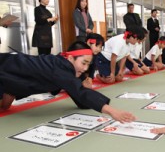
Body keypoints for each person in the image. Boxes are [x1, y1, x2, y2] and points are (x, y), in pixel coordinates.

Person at [0, 41, 136, 123]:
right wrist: (112, 111)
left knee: (5, 106)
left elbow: (78, 95)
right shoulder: (61, 68)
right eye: (83, 63)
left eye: (88, 65)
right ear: (70, 58)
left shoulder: (66, 66)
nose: (85, 68)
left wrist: (90, 101)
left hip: (16, 79)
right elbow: (80, 92)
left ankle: (9, 90)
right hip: (5, 67)